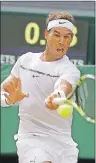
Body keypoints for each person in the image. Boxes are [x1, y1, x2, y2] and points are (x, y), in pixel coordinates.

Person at [1, 11, 80, 163]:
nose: (61, 41)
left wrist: (58, 95)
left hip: (63, 144)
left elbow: (64, 85)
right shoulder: (25, 61)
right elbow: (3, 90)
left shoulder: (70, 70)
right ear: (46, 34)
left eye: (67, 36)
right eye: (56, 35)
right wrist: (9, 100)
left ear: (71, 39)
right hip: (31, 138)